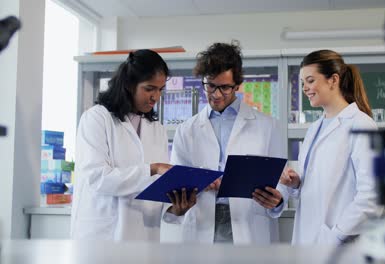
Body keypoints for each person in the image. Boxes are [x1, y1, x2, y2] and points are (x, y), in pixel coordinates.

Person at [160, 41, 286, 244]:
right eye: (210, 86)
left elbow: (282, 178)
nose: (216, 94)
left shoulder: (268, 126)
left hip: (248, 223)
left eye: (225, 87)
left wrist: (278, 200)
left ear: (237, 84)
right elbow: (178, 179)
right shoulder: (187, 129)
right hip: (203, 221)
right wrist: (181, 200)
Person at [273, 49, 382, 245]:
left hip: (340, 243)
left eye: (311, 80)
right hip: (308, 239)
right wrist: (297, 183)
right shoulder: (315, 128)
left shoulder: (361, 125)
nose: (305, 88)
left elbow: (372, 197)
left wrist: (336, 235)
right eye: (303, 82)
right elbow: (318, 186)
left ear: (333, 80)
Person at [70, 49, 173, 241]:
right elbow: (97, 177)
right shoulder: (96, 118)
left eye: (160, 90)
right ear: (128, 84)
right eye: (149, 88)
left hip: (143, 237)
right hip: (103, 236)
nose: (155, 97)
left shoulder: (156, 129)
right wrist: (153, 169)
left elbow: (156, 189)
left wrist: (176, 207)